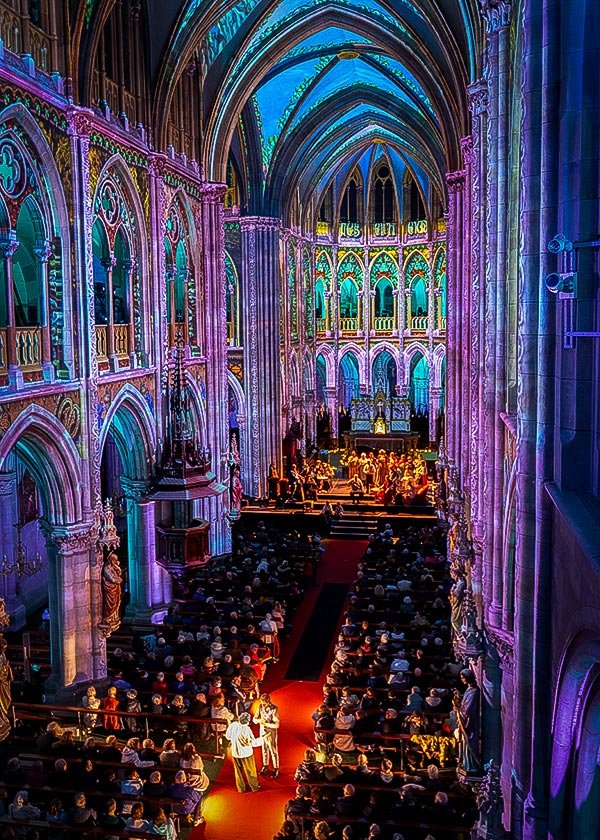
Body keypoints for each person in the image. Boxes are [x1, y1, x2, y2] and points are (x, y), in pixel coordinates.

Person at [225, 711, 262, 793]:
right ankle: (254, 787)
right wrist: (262, 740)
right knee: (250, 771)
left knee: (238, 772)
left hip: (235, 753)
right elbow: (252, 742)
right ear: (248, 722)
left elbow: (228, 736)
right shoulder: (247, 730)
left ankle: (241, 788)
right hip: (246, 754)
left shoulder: (233, 725)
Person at [253, 692, 280, 778]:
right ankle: (265, 765)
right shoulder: (260, 706)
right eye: (261, 703)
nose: (263, 705)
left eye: (264, 703)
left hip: (271, 732)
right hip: (262, 731)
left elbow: (277, 725)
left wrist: (266, 724)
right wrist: (258, 721)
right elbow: (255, 718)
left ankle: (276, 768)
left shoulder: (274, 709)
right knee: (264, 749)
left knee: (273, 750)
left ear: (268, 702)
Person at [100, 551, 122, 632]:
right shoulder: (106, 569)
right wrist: (118, 580)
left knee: (116, 603)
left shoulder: (112, 567)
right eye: (114, 560)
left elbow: (118, 574)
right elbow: (112, 579)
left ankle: (114, 617)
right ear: (111, 560)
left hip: (115, 590)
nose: (115, 562)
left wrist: (118, 569)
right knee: (110, 604)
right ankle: (108, 618)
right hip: (110, 590)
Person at [0, 638, 13, 741]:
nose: (3, 650)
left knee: (4, 702)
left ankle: (3, 718)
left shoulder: (2, 655)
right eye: (2, 648)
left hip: (3, 685)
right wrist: (6, 667)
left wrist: (7, 668)